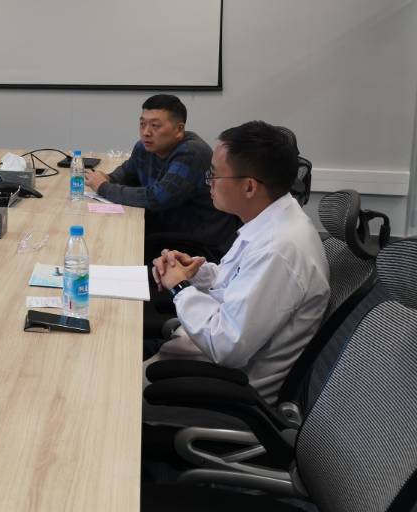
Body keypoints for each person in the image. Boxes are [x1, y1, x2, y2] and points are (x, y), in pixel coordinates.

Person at [146, 121, 330, 403]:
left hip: (219, 389)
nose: (208, 182)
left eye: (214, 174)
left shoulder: (280, 249)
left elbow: (226, 345)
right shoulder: (272, 221)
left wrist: (180, 288)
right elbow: (234, 281)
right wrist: (194, 272)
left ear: (249, 187)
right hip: (197, 358)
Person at [84, 94, 238, 264]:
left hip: (199, 243)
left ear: (179, 129)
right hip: (166, 231)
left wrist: (104, 187)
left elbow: (157, 198)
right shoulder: (144, 147)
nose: (146, 132)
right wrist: (109, 178)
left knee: (118, 246)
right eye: (142, 124)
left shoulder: (191, 153)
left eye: (155, 125)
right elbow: (127, 173)